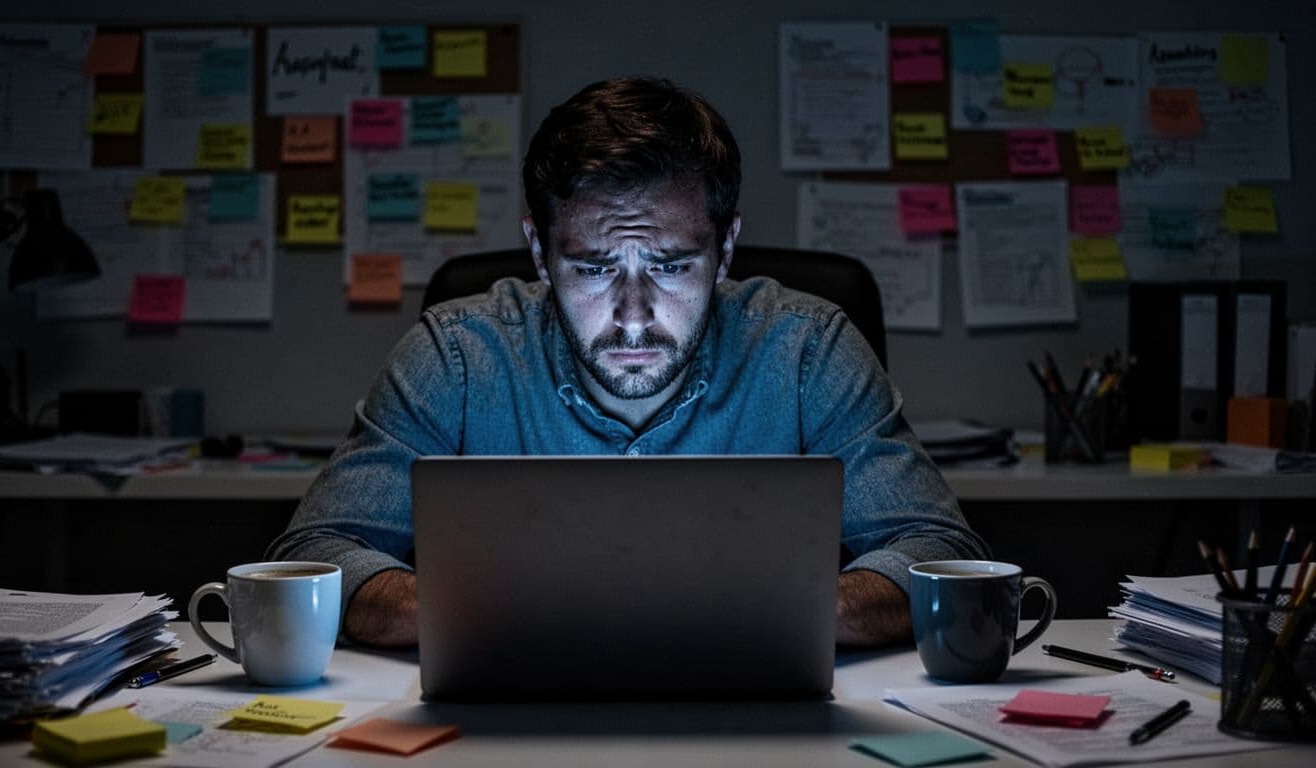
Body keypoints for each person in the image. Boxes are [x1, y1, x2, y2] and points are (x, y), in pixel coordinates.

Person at [267, 76, 988, 649]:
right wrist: (478, 613)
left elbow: (936, 552)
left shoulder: (807, 349)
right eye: (593, 268)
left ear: (726, 249)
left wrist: (790, 610)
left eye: (672, 266)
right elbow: (318, 555)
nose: (635, 314)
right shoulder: (456, 356)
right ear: (539, 252)